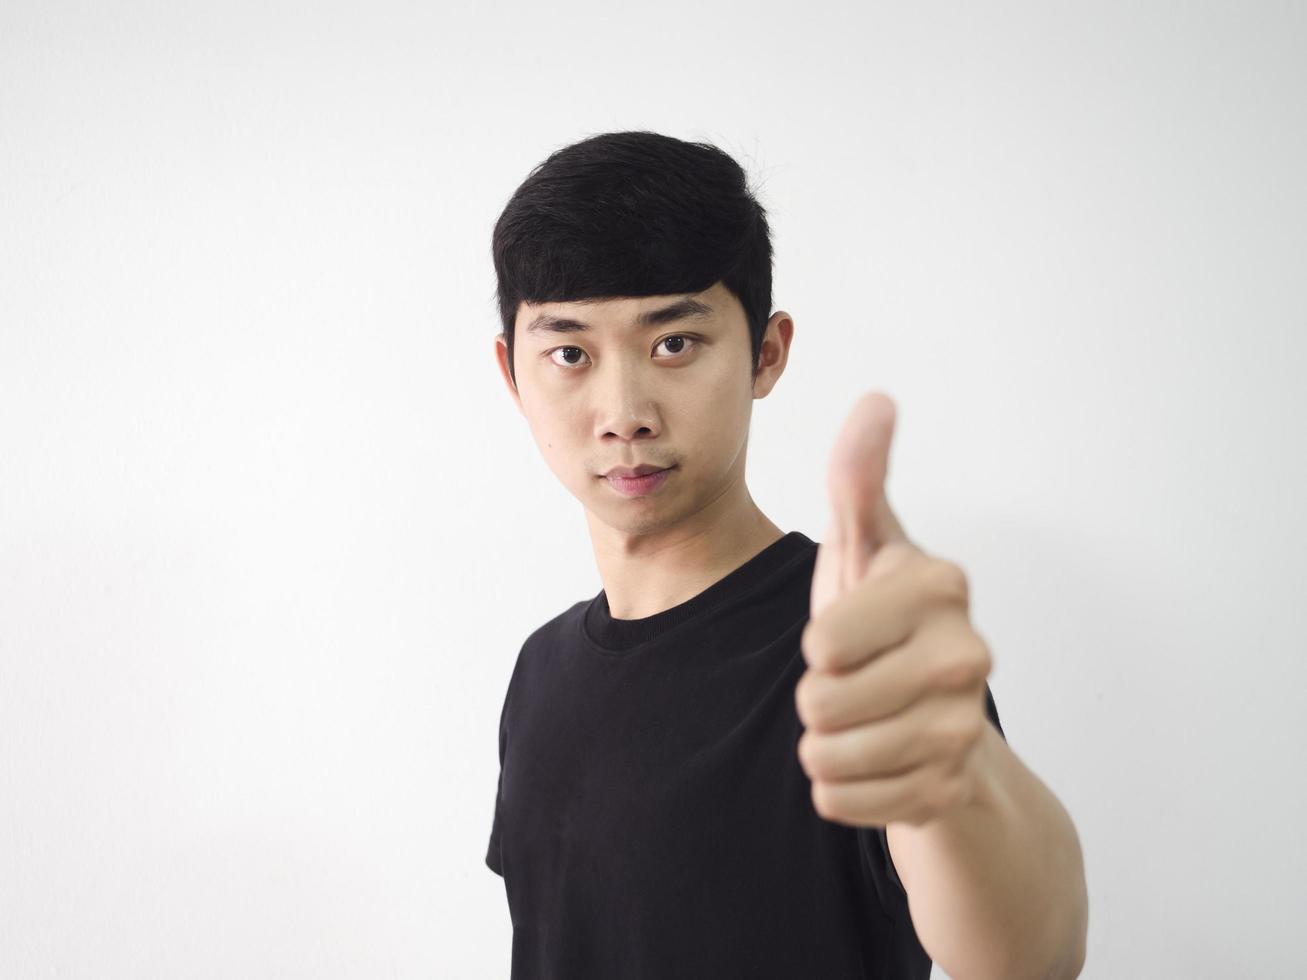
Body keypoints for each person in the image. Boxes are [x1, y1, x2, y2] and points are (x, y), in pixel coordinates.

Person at [484, 131, 1083, 979]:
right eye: (570, 353)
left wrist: (963, 771)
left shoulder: (855, 647)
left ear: (766, 352)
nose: (623, 412)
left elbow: (1028, 957)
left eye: (673, 344)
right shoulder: (538, 671)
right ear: (514, 374)